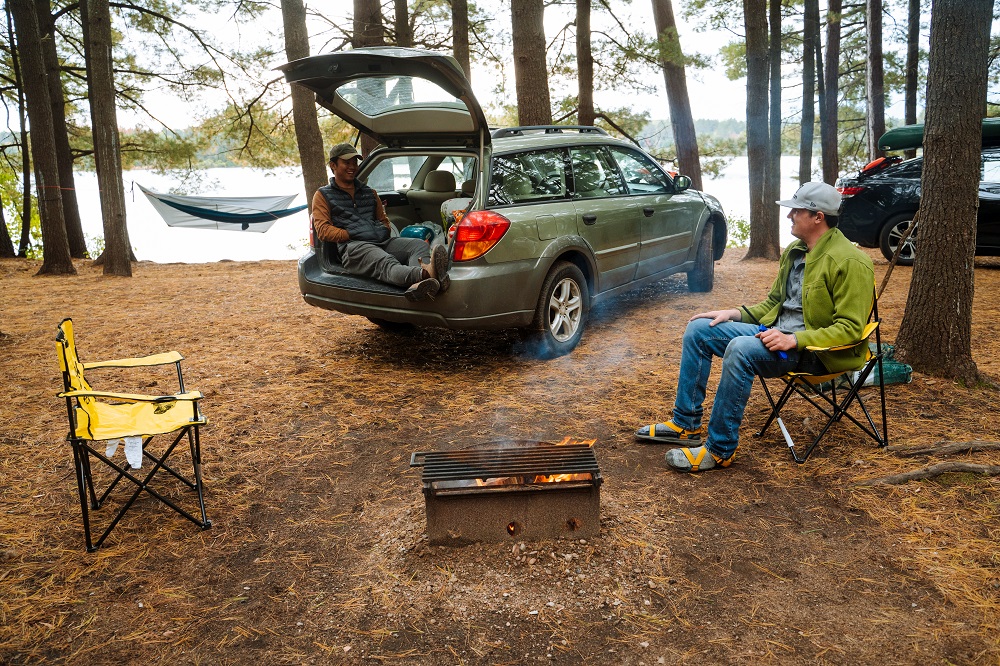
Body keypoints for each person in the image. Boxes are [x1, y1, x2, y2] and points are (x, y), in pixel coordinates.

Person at [634, 182, 875, 472]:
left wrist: (794, 340)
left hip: (813, 351)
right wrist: (732, 313)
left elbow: (850, 328)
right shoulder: (796, 252)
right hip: (775, 337)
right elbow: (773, 304)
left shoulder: (851, 261)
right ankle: (685, 424)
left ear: (817, 217)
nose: (789, 217)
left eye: (796, 211)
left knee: (741, 349)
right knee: (700, 329)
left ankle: (720, 449)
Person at [312, 143, 449, 302]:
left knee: (419, 245)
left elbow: (384, 221)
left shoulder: (370, 193)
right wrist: (351, 234)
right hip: (354, 247)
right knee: (386, 262)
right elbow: (322, 230)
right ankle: (427, 275)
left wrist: (381, 230)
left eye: (354, 163)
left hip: (381, 241)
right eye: (346, 162)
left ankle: (418, 285)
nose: (352, 167)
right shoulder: (323, 195)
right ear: (333, 165)